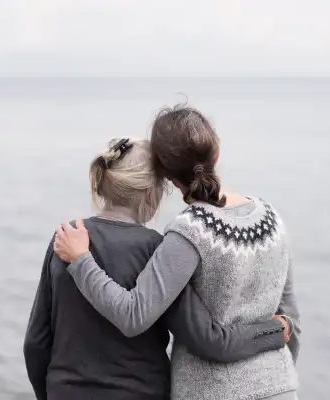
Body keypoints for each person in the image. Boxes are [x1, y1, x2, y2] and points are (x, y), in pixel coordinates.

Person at [54, 105, 301, 400]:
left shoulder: (189, 231)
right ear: (216, 153)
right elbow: (291, 323)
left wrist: (82, 261)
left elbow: (133, 314)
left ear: (165, 176)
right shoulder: (271, 217)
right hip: (282, 388)